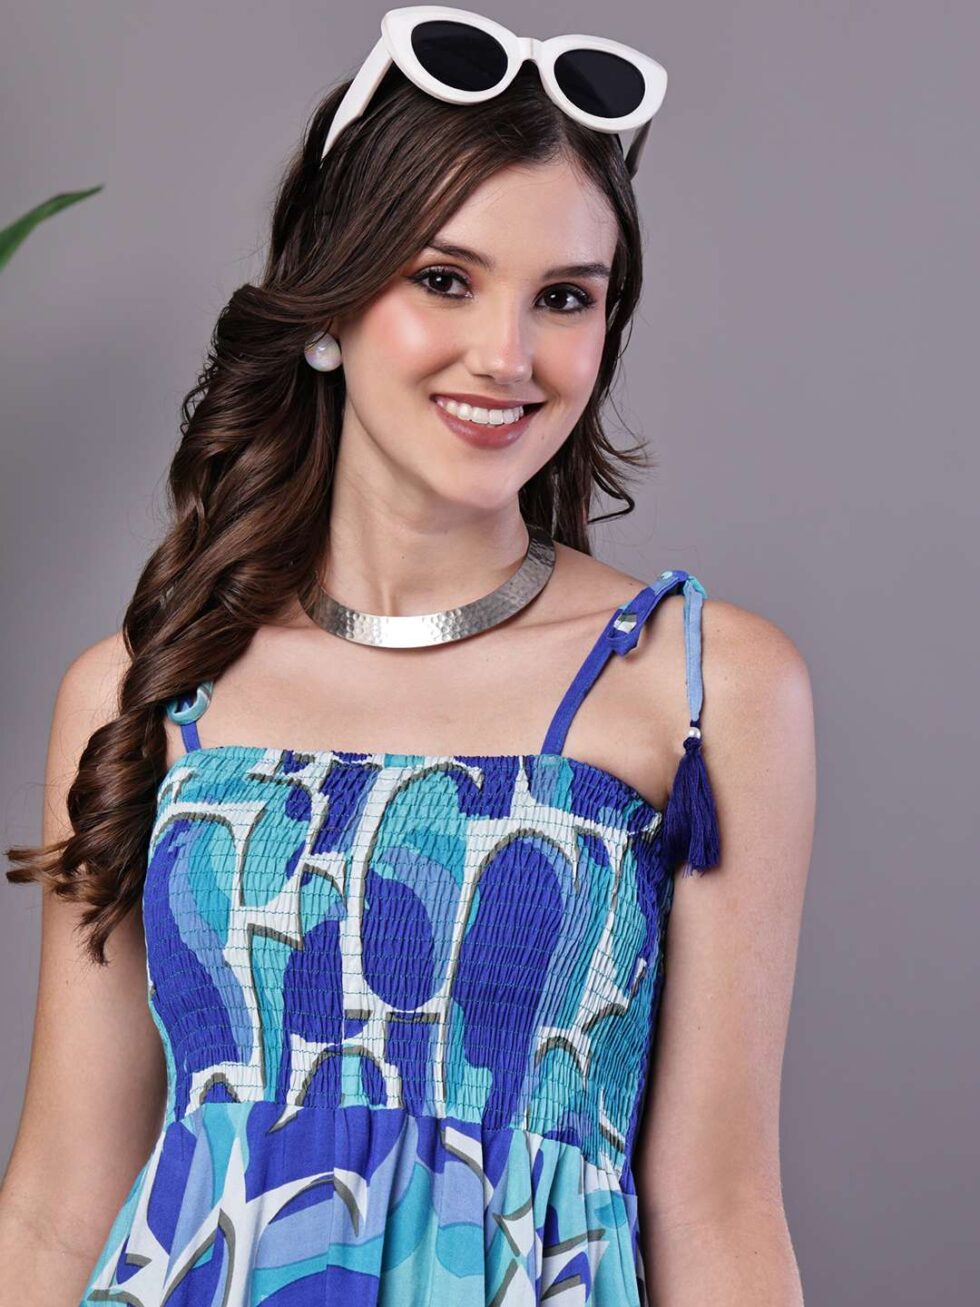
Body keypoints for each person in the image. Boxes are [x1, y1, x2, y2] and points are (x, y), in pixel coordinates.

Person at [0, 8, 815, 1304]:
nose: (506, 356)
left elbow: (716, 1208)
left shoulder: (700, 686)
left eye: (564, 298)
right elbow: (57, 1203)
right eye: (445, 279)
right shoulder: (143, 693)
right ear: (329, 304)